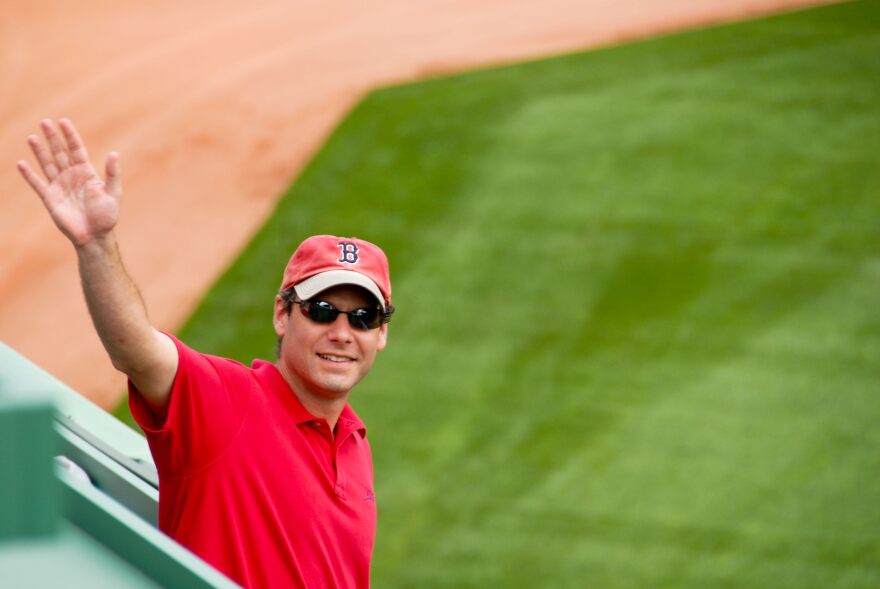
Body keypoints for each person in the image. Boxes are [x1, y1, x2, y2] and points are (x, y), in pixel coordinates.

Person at [17, 118, 394, 588]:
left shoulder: (355, 443)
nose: (342, 332)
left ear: (381, 334)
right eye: (322, 311)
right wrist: (96, 245)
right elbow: (135, 349)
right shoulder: (227, 402)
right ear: (282, 314)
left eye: (363, 318)